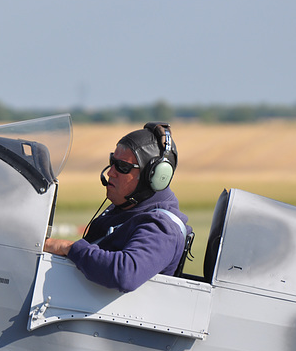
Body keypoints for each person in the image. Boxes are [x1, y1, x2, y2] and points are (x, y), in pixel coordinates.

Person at [44, 122, 192, 292]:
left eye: (123, 167)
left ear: (154, 177)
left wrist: (68, 248)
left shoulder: (161, 227)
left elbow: (126, 274)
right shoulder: (128, 207)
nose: (110, 172)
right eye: (112, 161)